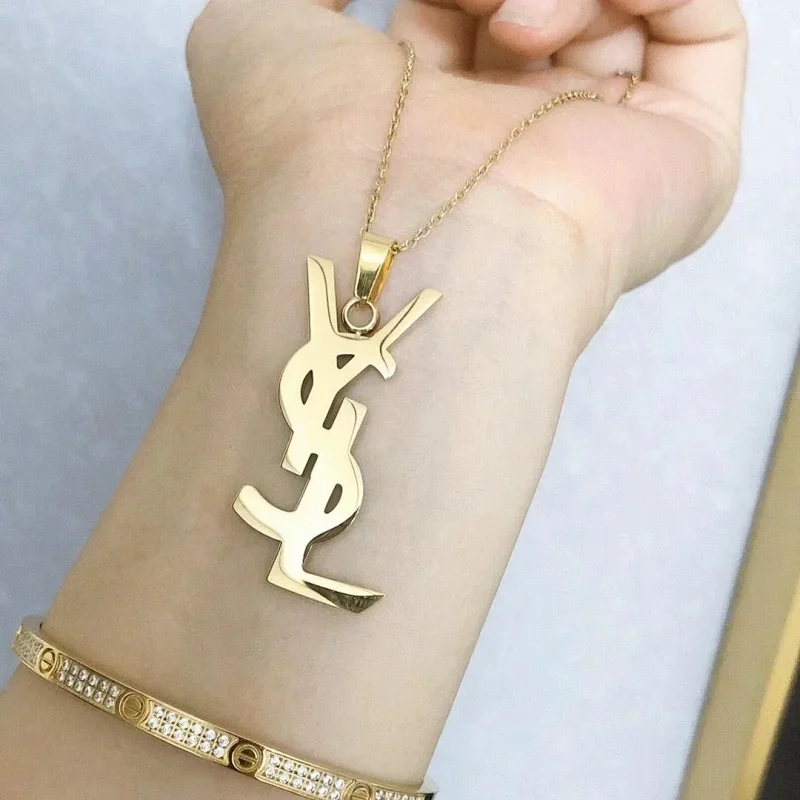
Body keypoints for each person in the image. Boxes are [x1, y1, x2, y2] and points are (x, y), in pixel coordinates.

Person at [0, 0, 747, 797]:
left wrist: (520, 235)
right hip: (318, 416)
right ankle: (296, 552)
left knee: (331, 478)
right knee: (324, 472)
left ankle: (297, 552)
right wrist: (319, 169)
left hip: (328, 422)